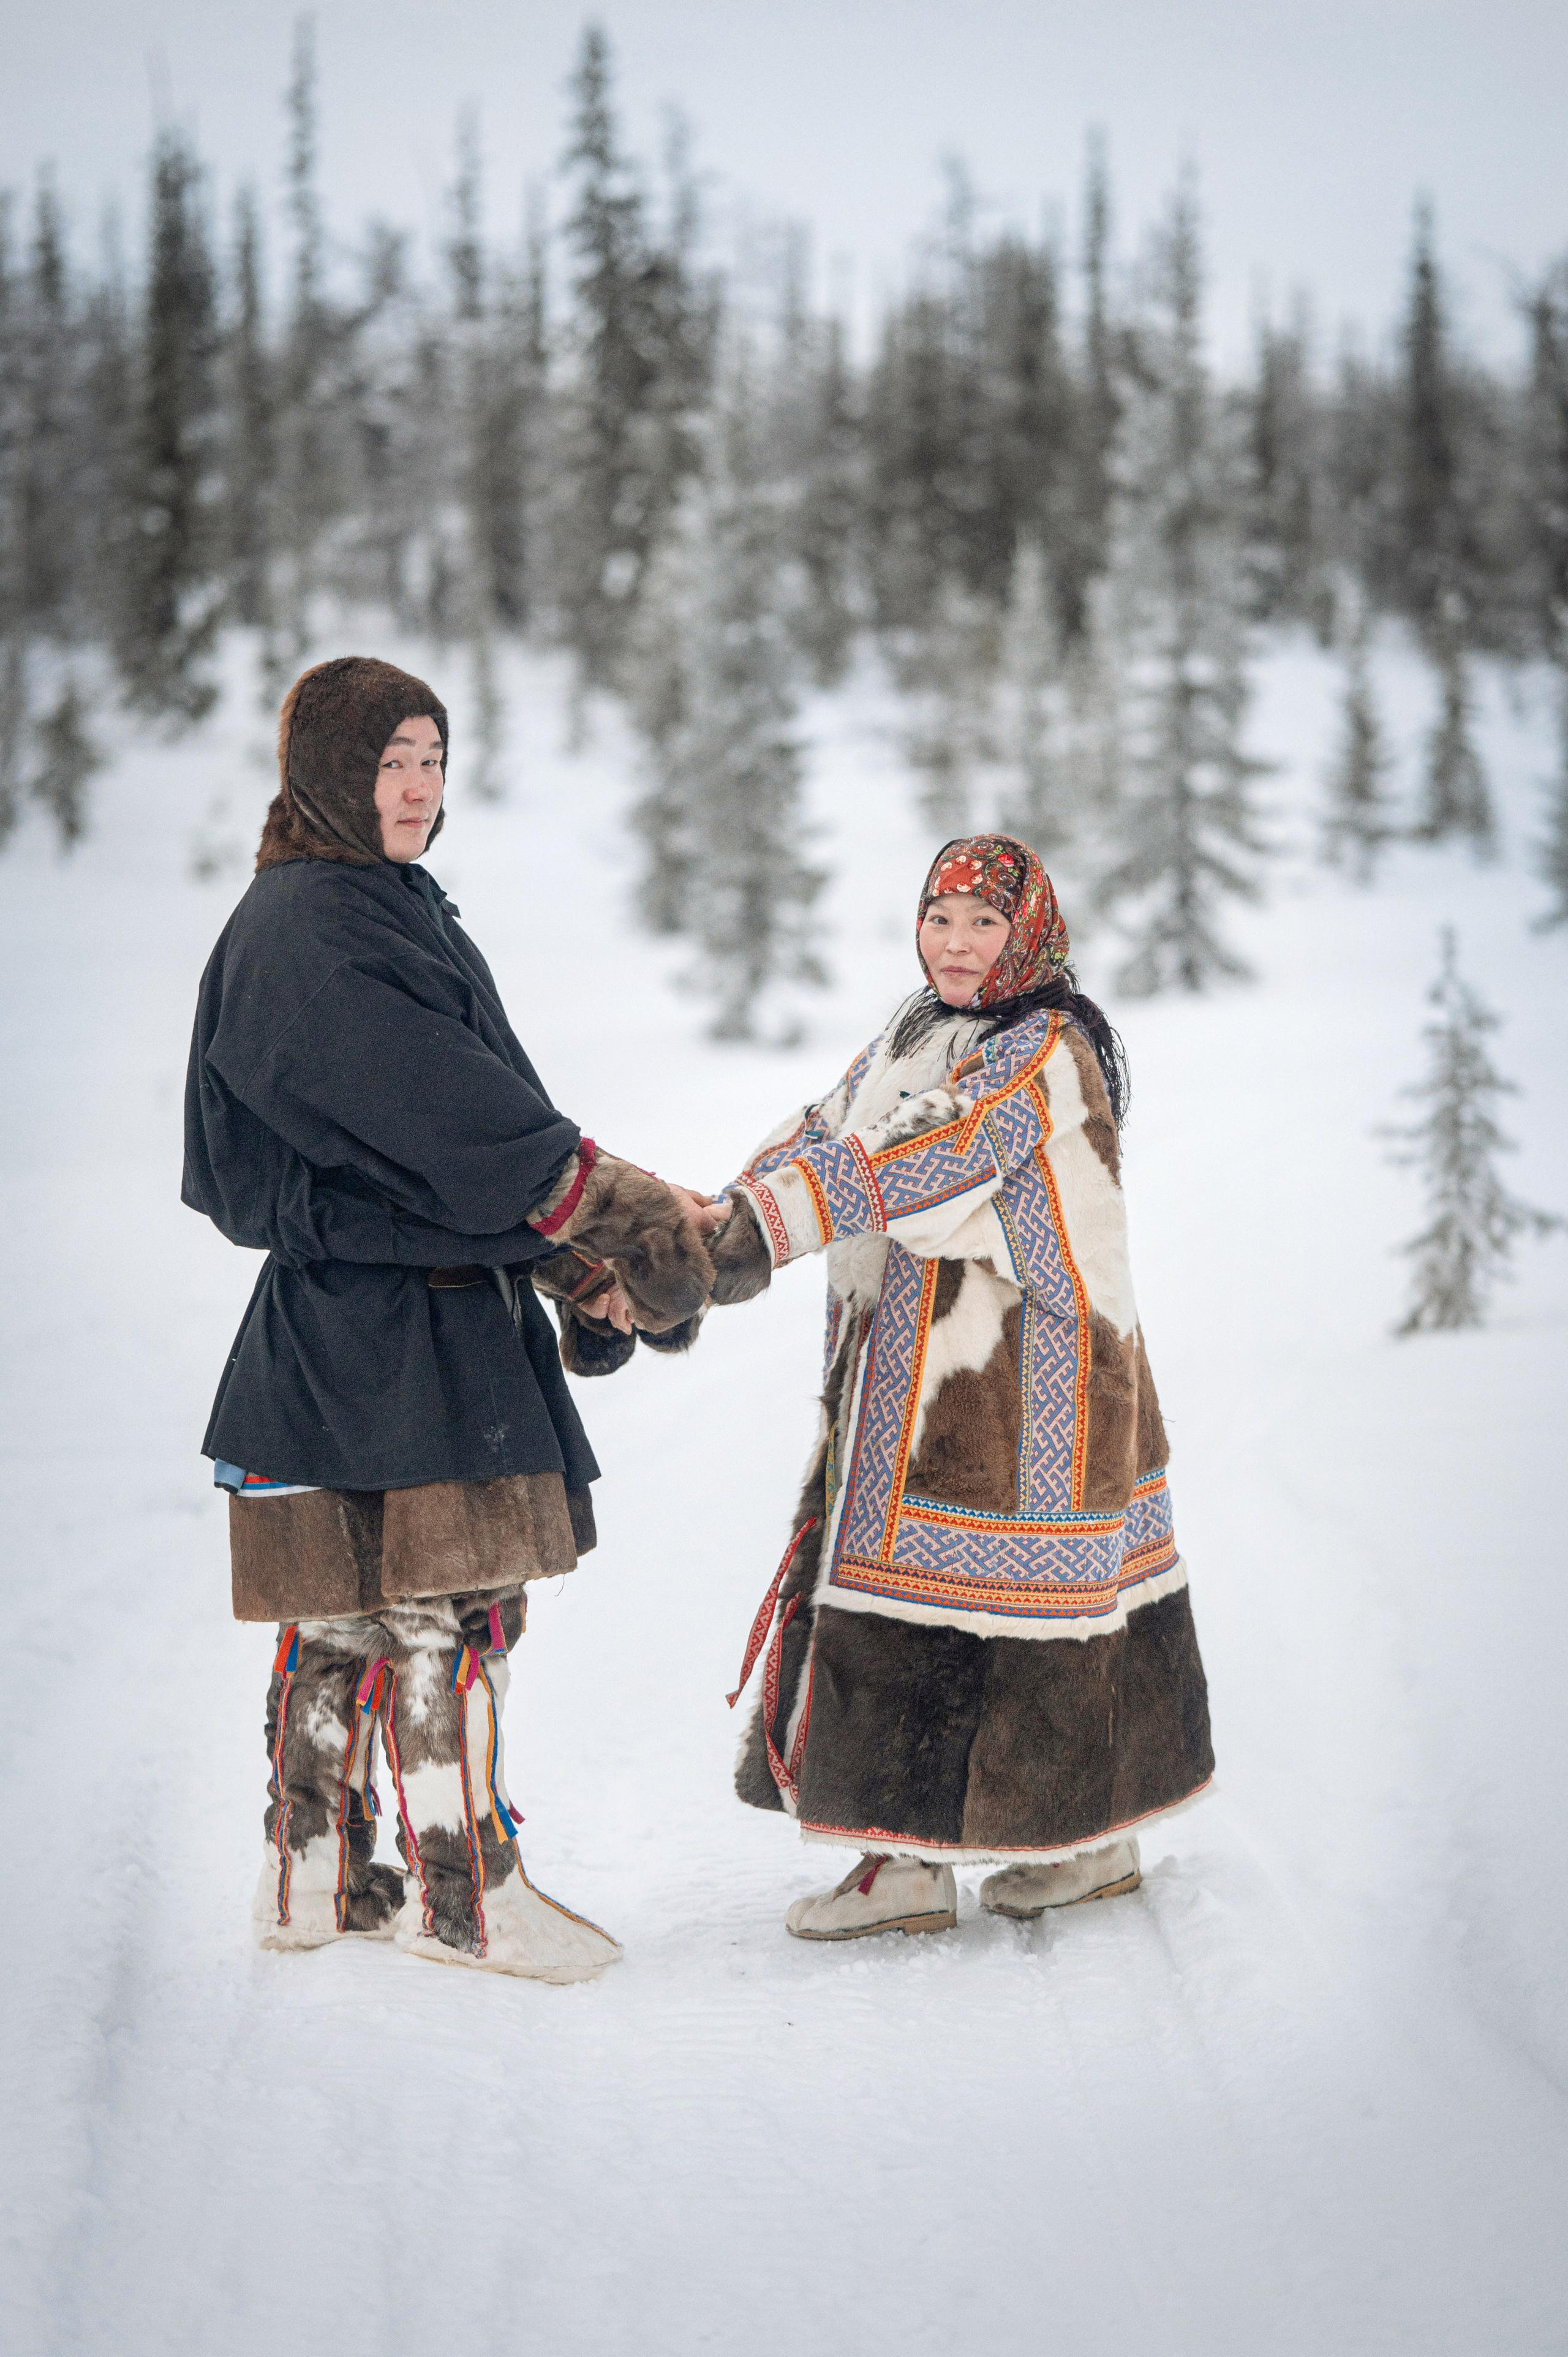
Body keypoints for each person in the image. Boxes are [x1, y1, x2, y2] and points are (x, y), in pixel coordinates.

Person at [184, 655, 722, 1983]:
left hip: (326, 1332)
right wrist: (616, 1219)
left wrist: (559, 1262)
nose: (416, 785)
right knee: (446, 1613)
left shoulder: (344, 907)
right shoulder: (323, 926)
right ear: (325, 774)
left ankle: (312, 1881)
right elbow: (465, 1128)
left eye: (431, 755)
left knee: (339, 1616)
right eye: (387, 761)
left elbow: (424, 1155)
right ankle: (468, 1897)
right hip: (401, 1343)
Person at [707, 834, 1214, 1940]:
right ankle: (1062, 1849)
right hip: (945, 1379)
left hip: (1028, 1391)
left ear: (1028, 933)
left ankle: (925, 1867)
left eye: (984, 922)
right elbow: (835, 1128)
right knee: (981, 1607)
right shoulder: (920, 1031)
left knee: (976, 1611)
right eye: (941, 918)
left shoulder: (1041, 1049)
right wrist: (713, 1226)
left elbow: (932, 1155)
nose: (957, 943)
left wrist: (765, 1226)